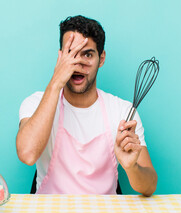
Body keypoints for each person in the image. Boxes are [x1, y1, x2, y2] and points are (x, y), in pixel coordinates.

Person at [16, 15, 157, 196]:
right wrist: (55, 82)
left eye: (87, 54)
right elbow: (27, 154)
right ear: (60, 57)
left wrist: (132, 167)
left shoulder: (123, 111)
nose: (79, 63)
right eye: (71, 54)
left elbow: (150, 186)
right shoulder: (35, 103)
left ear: (102, 58)